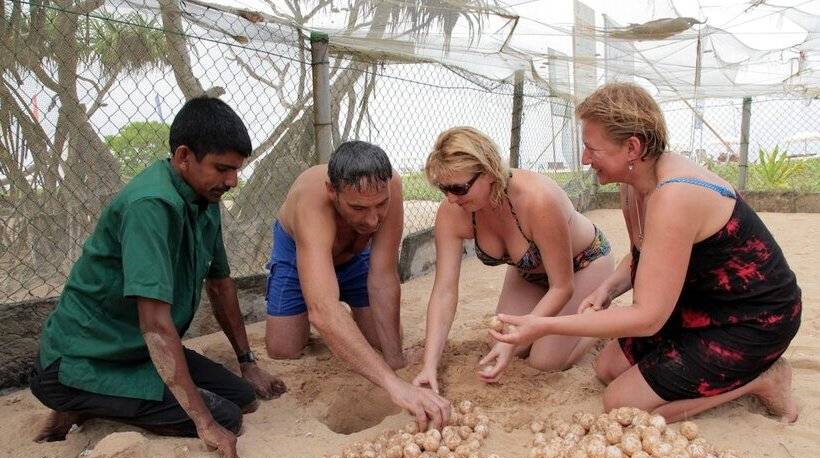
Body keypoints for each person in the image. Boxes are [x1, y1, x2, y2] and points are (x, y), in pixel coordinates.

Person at [491, 82, 801, 423]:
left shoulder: (674, 196)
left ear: (632, 147)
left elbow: (648, 317)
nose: (584, 158)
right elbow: (642, 253)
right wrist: (608, 288)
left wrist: (545, 325)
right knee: (606, 367)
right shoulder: (634, 182)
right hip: (699, 303)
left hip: (753, 319)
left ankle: (759, 380)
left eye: (592, 148)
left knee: (621, 403)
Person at [30, 97, 286, 458]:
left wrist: (247, 363)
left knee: (243, 396)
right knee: (224, 418)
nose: (231, 181)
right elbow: (154, 324)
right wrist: (204, 423)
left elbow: (220, 284)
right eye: (222, 169)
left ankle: (98, 400)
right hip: (83, 360)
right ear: (183, 157)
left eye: (236, 170)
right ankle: (76, 400)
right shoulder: (150, 205)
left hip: (134, 354)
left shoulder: (205, 198)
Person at [263, 141, 450, 430]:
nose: (373, 218)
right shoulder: (311, 201)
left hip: (355, 254)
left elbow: (384, 276)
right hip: (301, 253)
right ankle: (328, 307)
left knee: (382, 340)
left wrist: (394, 360)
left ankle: (348, 325)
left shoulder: (392, 185)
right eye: (358, 208)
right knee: (283, 348)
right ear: (332, 192)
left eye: (380, 204)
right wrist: (394, 385)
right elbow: (323, 310)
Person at [412, 126, 615, 393]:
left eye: (459, 188)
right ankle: (560, 326)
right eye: (443, 189)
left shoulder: (537, 200)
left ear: (489, 171)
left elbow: (562, 287)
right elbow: (444, 291)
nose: (450, 198)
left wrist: (514, 339)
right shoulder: (452, 211)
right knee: (504, 341)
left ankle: (598, 319)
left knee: (545, 360)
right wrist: (429, 365)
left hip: (583, 265)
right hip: (529, 272)